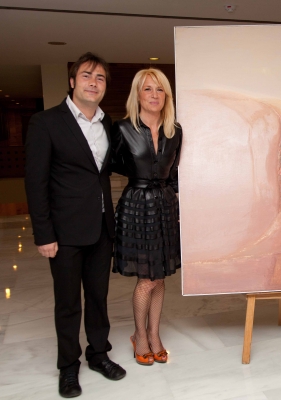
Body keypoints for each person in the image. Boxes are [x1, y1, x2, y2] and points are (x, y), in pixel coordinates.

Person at [25, 52, 126, 398]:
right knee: (68, 303)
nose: (93, 83)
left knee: (98, 297)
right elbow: (35, 183)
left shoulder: (106, 122)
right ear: (72, 81)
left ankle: (99, 355)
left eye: (100, 78)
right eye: (86, 76)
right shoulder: (46, 122)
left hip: (101, 228)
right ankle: (69, 366)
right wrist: (44, 234)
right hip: (64, 233)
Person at [111, 68, 181, 366]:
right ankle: (140, 335)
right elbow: (112, 163)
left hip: (165, 206)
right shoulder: (123, 128)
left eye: (160, 90)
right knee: (146, 279)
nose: (154, 95)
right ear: (137, 94)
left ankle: (154, 335)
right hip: (137, 206)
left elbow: (174, 171)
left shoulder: (174, 131)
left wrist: (177, 205)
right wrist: (142, 176)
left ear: (166, 96)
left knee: (160, 276)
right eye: (148, 89)